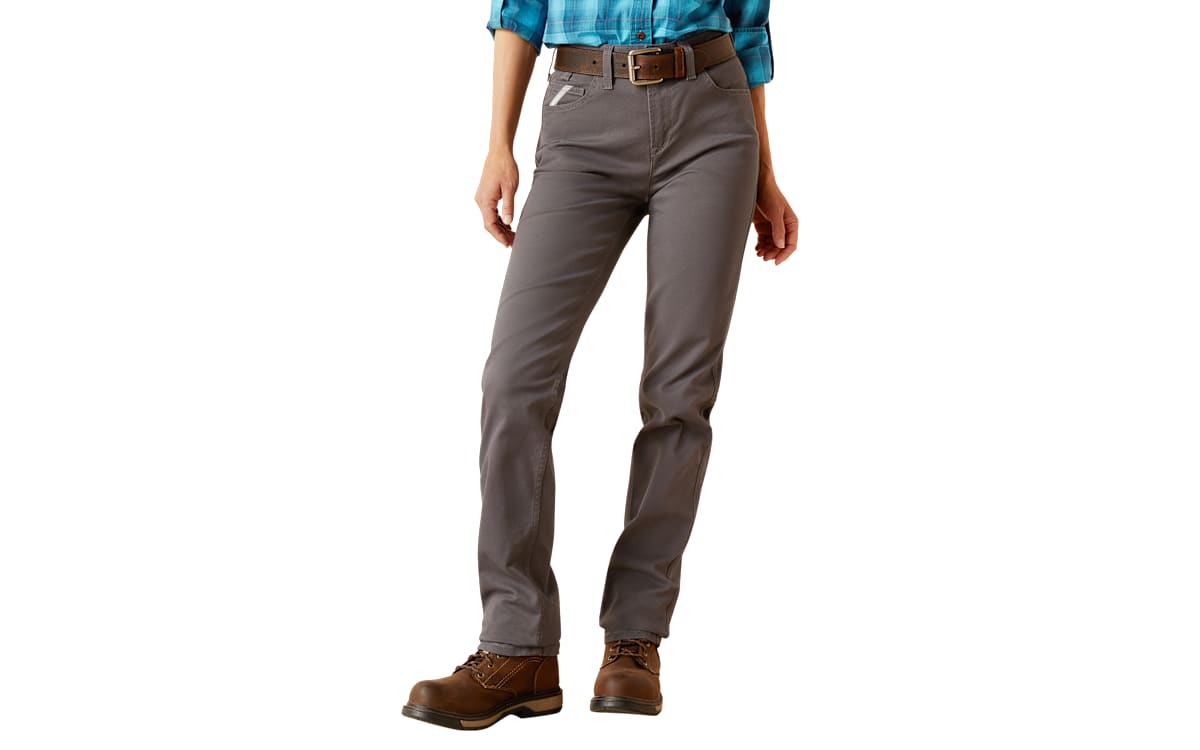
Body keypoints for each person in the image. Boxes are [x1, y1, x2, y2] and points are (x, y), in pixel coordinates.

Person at [402, 0, 797, 730]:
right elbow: (520, 10)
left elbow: (747, 25)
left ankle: (634, 641)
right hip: (580, 116)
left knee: (679, 392)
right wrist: (498, 144)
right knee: (513, 381)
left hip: (712, 119)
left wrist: (766, 174)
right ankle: (516, 648)